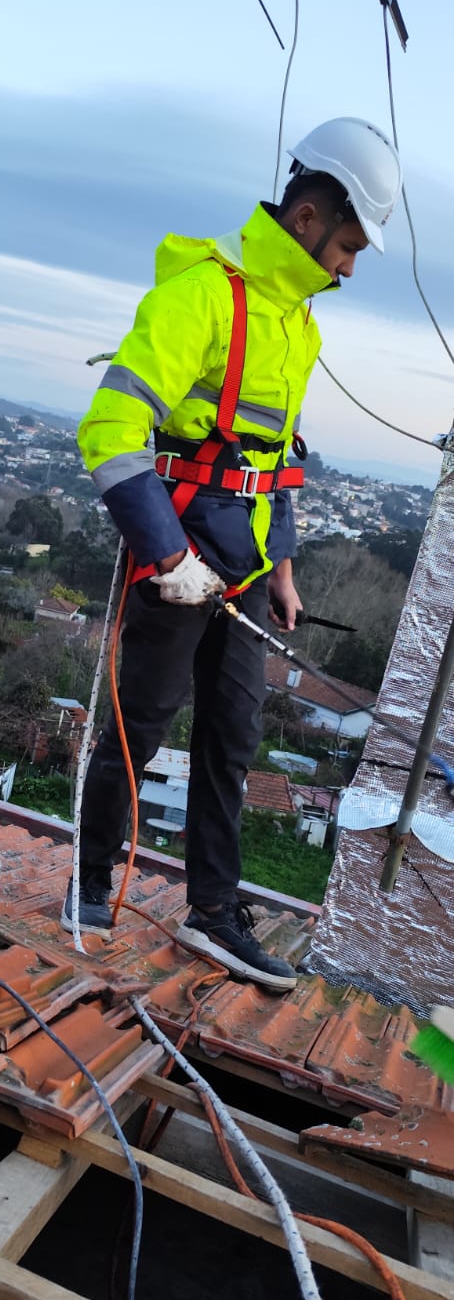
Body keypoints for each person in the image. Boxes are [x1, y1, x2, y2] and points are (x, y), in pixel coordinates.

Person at [61, 117, 402, 991]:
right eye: (347, 245)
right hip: (176, 556)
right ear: (307, 217)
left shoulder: (299, 329)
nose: (350, 268)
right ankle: (92, 880)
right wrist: (166, 554)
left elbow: (276, 460)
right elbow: (109, 429)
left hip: (246, 569)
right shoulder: (200, 295)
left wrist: (282, 570)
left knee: (233, 739)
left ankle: (214, 910)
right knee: (141, 727)